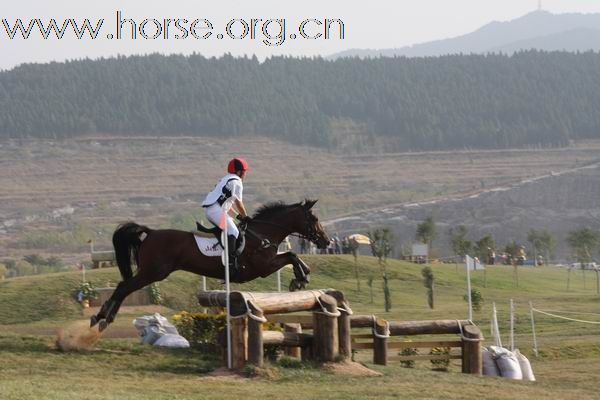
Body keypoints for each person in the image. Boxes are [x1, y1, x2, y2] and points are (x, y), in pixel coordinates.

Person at [202, 158, 250, 279]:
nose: (245, 174)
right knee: (233, 231)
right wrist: (246, 216)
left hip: (213, 210)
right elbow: (239, 203)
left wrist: (239, 216)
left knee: (233, 226)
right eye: (244, 171)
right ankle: (229, 265)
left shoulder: (226, 179)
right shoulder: (237, 181)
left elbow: (227, 205)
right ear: (238, 172)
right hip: (215, 211)